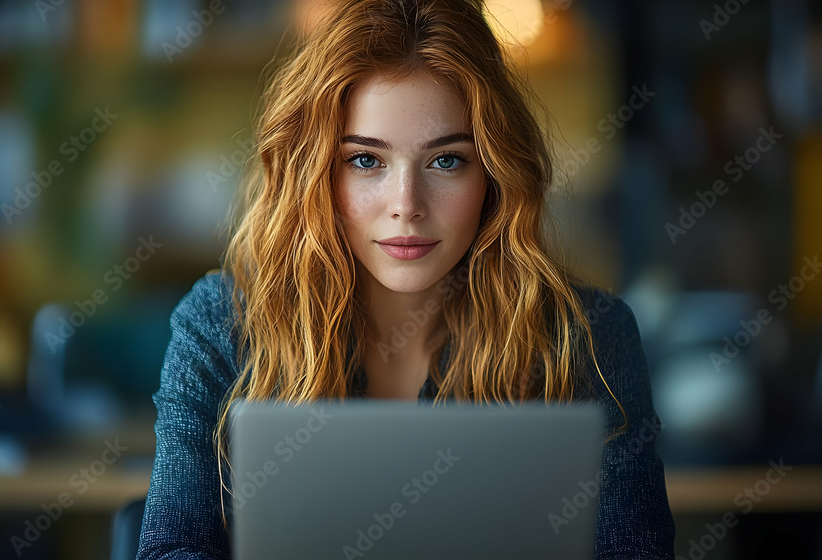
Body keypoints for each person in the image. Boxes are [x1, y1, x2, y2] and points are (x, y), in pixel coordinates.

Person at [137, 0, 675, 558]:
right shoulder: (222, 325)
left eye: (446, 161)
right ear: (315, 169)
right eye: (366, 161)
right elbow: (172, 549)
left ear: (494, 172)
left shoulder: (588, 335)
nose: (407, 206)